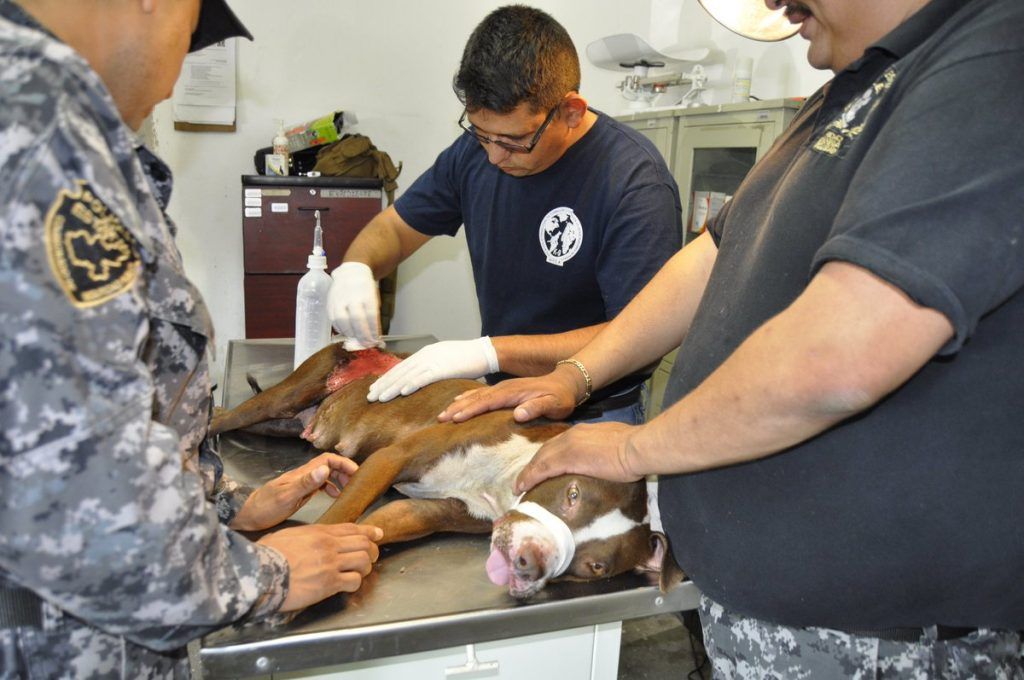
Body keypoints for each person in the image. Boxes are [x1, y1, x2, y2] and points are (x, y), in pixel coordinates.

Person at [438, 0, 1024, 675]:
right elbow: (712, 257)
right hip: (766, 612)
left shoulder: (990, 55)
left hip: (875, 635)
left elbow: (836, 357)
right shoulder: (849, 89)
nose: (775, 4)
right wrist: (576, 375)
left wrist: (633, 449)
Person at [0, 1, 381, 676]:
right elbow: (85, 510)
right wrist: (265, 576)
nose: (178, 75)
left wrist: (229, 510)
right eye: (192, 32)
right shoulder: (37, 133)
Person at [328, 4, 682, 424]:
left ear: (570, 111)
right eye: (481, 135)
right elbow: (396, 229)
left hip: (594, 412)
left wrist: (488, 352)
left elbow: (636, 335)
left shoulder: (634, 183)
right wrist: (356, 267)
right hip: (501, 398)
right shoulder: (474, 153)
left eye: (515, 141)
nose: (495, 156)